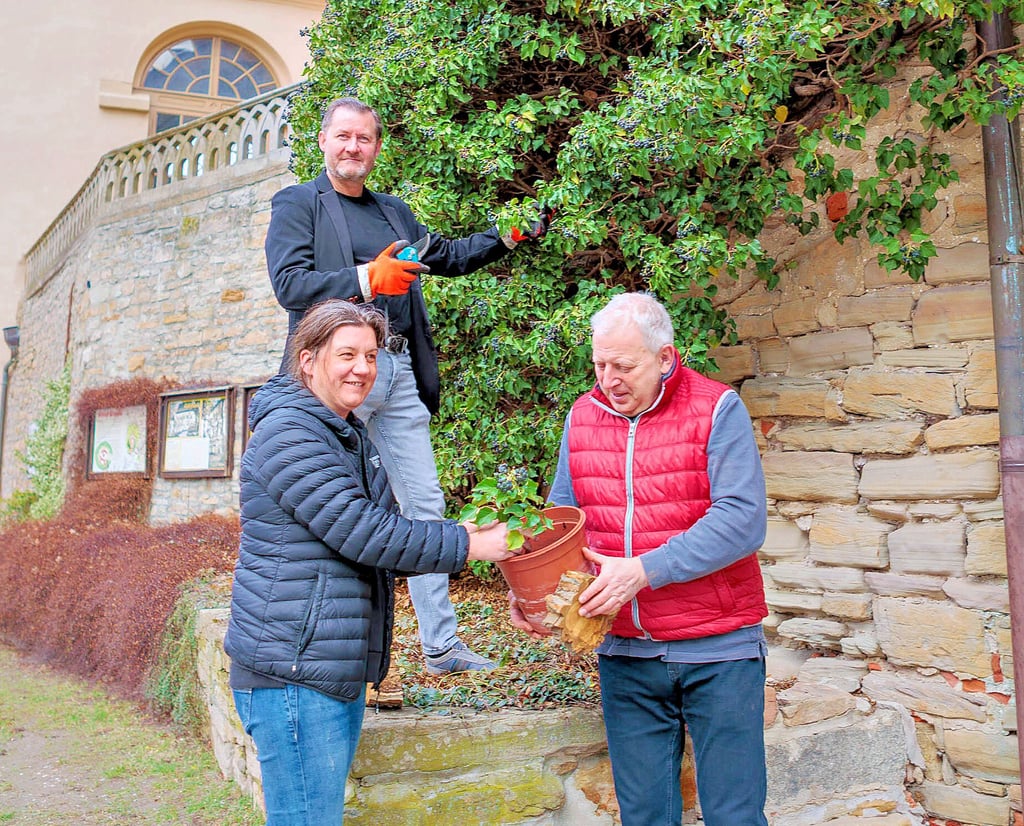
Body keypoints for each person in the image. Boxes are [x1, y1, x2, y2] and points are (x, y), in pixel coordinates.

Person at [265, 97, 548, 675]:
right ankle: (330, 641)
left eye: (364, 139)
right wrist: (368, 279)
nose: (353, 147)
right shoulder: (299, 204)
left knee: (424, 504)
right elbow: (290, 285)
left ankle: (441, 646)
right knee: (341, 508)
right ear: (324, 141)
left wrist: (508, 236)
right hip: (337, 375)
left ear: (376, 147)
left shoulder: (393, 213)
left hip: (394, 371)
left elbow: (445, 255)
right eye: (343, 136)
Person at [224, 299, 514, 826]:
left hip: (323, 666)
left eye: (372, 356)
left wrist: (457, 533)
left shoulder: (343, 431)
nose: (362, 368)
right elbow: (363, 532)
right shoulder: (291, 432)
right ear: (307, 360)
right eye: (347, 355)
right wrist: (467, 546)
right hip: (294, 673)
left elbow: (379, 536)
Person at [511, 292, 770, 826]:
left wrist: (645, 570)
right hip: (626, 653)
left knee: (734, 816)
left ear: (665, 358)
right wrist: (535, 595)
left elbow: (743, 520)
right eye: (600, 364)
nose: (609, 379)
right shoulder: (582, 416)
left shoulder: (717, 407)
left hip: (718, 647)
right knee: (645, 818)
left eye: (624, 366)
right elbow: (564, 526)